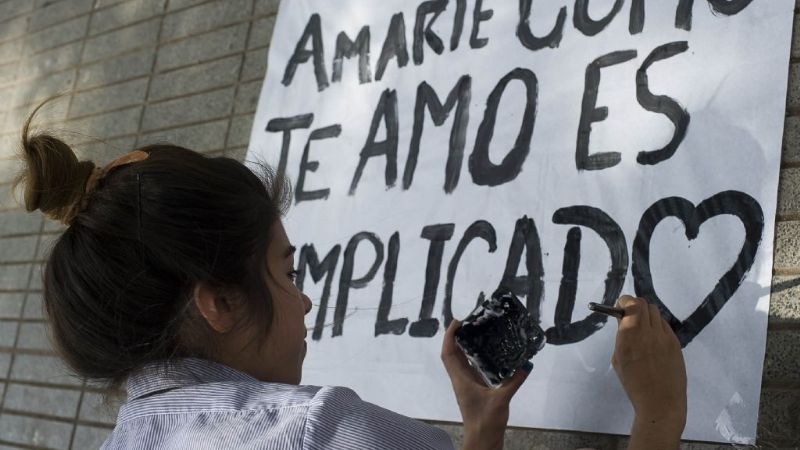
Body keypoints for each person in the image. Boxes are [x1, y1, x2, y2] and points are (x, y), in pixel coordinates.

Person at [15, 103, 686, 450]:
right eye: (286, 270)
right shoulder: (319, 432)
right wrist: (658, 416)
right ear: (219, 300)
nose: (307, 301)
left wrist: (479, 434)